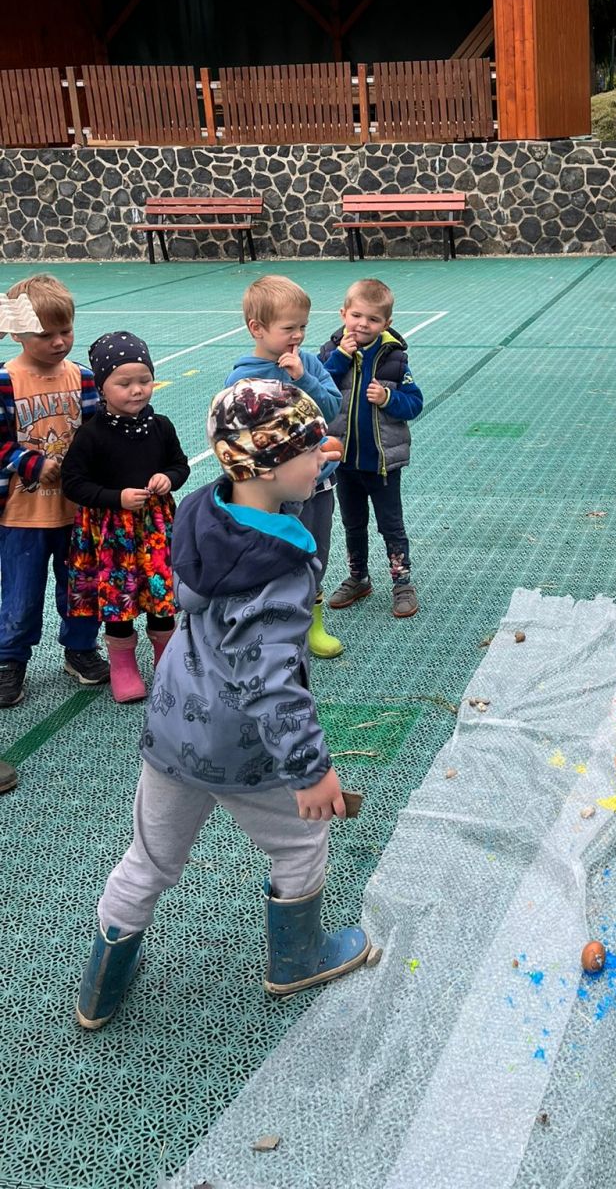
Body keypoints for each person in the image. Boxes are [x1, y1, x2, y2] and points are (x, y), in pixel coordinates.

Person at [75, 379, 371, 1031]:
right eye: (308, 447)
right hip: (242, 745)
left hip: (173, 726)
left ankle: (100, 988)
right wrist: (311, 770)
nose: (323, 454)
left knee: (148, 860)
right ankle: (296, 960)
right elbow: (271, 682)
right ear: (265, 466)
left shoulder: (200, 512)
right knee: (302, 841)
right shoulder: (280, 564)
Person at [60, 332, 190, 703]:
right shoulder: (91, 435)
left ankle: (167, 662)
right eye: (124, 383)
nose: (137, 390)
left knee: (161, 598)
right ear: (101, 387)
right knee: (119, 603)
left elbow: (179, 465)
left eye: (144, 380)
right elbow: (74, 483)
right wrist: (115, 498)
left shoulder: (160, 426)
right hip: (111, 534)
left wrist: (168, 478)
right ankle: (123, 666)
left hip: (154, 529)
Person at [0, 275, 106, 708]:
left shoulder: (83, 378)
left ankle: (80, 648)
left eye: (66, 331)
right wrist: (32, 463)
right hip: (20, 516)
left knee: (81, 588)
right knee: (21, 596)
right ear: (16, 333)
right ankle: (9, 660)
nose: (59, 342)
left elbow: (99, 435)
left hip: (76, 512)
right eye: (46, 335)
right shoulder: (5, 381)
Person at [225, 275, 345, 659]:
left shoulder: (307, 363)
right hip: (272, 492)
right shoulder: (243, 378)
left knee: (315, 550)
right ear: (256, 329)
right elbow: (237, 435)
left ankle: (312, 622)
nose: (298, 336)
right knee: (275, 553)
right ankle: (275, 623)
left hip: (317, 482)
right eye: (288, 328)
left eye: (303, 327)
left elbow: (331, 408)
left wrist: (302, 378)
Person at [319, 278, 423, 619]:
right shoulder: (330, 352)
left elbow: (414, 403)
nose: (363, 324)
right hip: (344, 461)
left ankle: (402, 582)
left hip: (381, 463)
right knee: (352, 523)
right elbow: (316, 389)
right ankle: (358, 577)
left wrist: (388, 397)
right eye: (357, 316)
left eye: (373, 319)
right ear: (343, 314)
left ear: (386, 323)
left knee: (391, 525)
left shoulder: (394, 359)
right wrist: (340, 358)